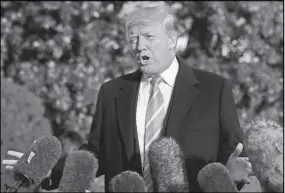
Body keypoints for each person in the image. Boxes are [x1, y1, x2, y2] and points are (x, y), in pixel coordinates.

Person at [2, 2, 253, 192]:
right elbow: (94, 154)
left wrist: (232, 176)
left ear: (172, 40)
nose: (139, 45)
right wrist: (48, 169)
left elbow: (234, 155)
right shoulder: (112, 92)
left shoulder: (214, 89)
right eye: (133, 38)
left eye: (149, 37)